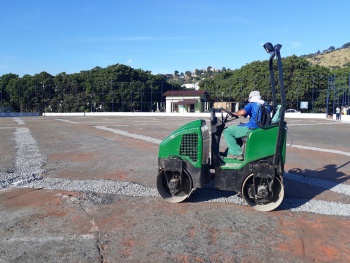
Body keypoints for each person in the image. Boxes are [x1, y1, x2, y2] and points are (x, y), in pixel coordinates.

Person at [223, 90, 269, 160]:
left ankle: (236, 153)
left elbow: (242, 112)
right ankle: (229, 153)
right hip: (260, 128)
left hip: (251, 128)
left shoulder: (252, 104)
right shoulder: (265, 105)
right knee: (237, 132)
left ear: (251, 97)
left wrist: (234, 114)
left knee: (227, 131)